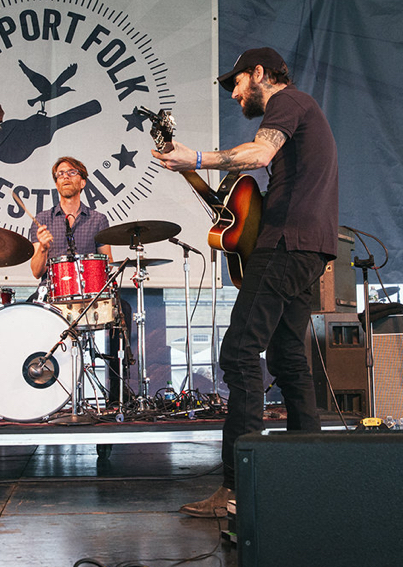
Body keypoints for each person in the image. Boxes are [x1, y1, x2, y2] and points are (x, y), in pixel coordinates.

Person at [153, 47, 339, 516]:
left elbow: (258, 153)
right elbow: (245, 197)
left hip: (285, 246)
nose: (234, 94)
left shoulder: (288, 103)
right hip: (307, 248)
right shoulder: (302, 111)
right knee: (288, 357)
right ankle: (310, 476)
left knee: (238, 353)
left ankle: (238, 490)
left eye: (236, 83)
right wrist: (192, 167)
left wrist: (194, 155)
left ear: (260, 74)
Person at [28, 156, 132, 405]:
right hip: (52, 294)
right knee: (26, 311)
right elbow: (35, 271)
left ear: (83, 181)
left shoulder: (98, 219)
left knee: (123, 310)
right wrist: (42, 247)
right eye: (60, 174)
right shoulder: (42, 220)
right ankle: (39, 393)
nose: (64, 176)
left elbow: (107, 263)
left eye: (71, 172)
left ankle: (118, 395)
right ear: (56, 184)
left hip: (90, 296)